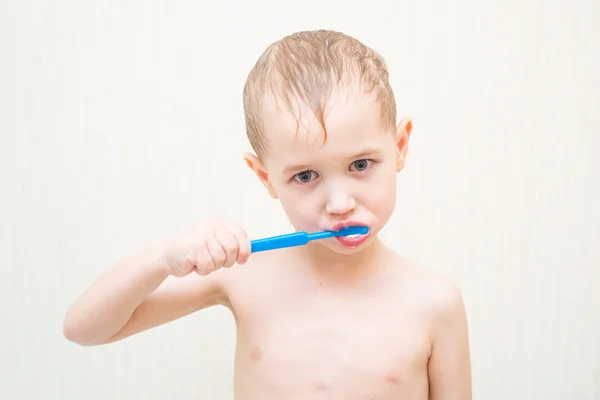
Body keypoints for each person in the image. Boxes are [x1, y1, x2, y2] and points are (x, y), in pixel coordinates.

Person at [63, 29, 472, 400]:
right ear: (265, 178)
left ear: (399, 146)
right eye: (306, 175)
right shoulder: (244, 273)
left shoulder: (434, 303)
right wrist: (163, 258)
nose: (340, 202)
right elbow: (84, 329)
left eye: (361, 165)